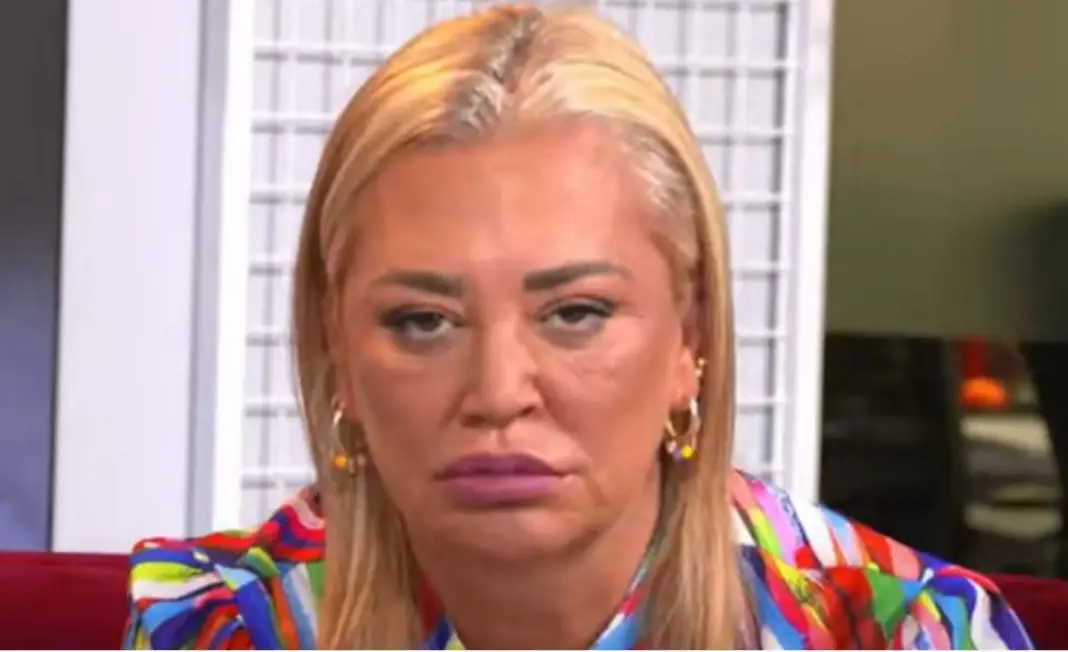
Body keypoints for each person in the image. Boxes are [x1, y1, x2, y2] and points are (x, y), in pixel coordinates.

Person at [122, 4, 1032, 649]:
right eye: (422, 321)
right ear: (337, 351)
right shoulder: (225, 627)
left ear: (691, 339)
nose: (497, 393)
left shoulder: (904, 632)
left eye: (575, 313)